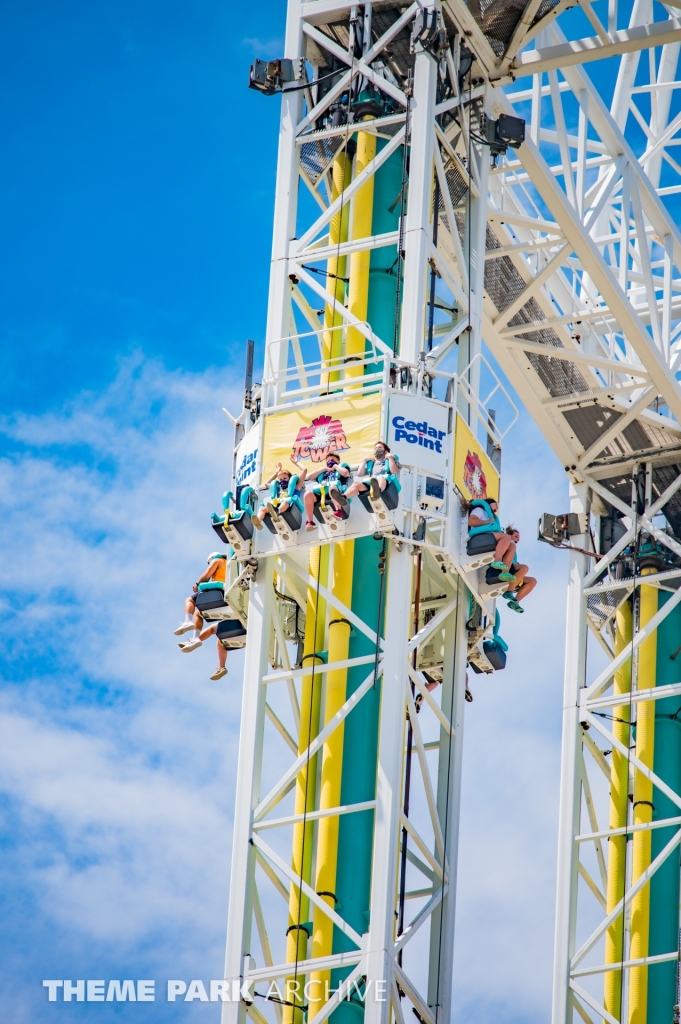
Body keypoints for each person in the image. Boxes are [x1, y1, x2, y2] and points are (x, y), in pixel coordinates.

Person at [174, 552, 228, 652]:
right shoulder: (230, 564)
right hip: (227, 594)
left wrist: (197, 584)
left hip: (218, 591)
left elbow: (207, 575)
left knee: (189, 600)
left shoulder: (217, 561)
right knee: (198, 613)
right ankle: (195, 638)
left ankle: (187, 621)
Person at [466, 498, 516, 583]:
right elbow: (472, 521)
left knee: (512, 546)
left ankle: (505, 572)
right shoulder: (480, 510)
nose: (497, 508)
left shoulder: (492, 517)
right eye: (495, 505)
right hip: (479, 538)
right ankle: (497, 560)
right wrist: (488, 521)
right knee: (507, 537)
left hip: (488, 537)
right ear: (489, 503)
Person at [303, 453, 352, 531]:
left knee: (332, 488)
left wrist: (335, 466)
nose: (330, 462)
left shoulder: (341, 468)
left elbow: (346, 473)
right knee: (307, 494)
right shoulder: (323, 474)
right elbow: (309, 477)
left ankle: (338, 511)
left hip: (337, 493)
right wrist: (324, 469)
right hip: (323, 494)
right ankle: (310, 522)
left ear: (338, 461)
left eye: (332, 460)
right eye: (328, 460)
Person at [251, 463, 307, 530]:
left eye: (285, 478)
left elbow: (304, 470)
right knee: (262, 509)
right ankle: (258, 522)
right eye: (280, 479)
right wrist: (276, 472)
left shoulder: (296, 487)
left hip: (290, 506)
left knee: (285, 503)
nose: (282, 480)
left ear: (289, 479)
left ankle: (277, 514)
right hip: (276, 507)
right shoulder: (278, 489)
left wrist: (296, 462)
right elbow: (266, 484)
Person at [502, 527, 537, 613]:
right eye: (516, 536)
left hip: (512, 569)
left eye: (519, 537)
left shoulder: (514, 550)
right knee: (524, 568)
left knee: (532, 581)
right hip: (504, 567)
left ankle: (514, 602)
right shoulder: (506, 543)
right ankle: (509, 591)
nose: (518, 539)